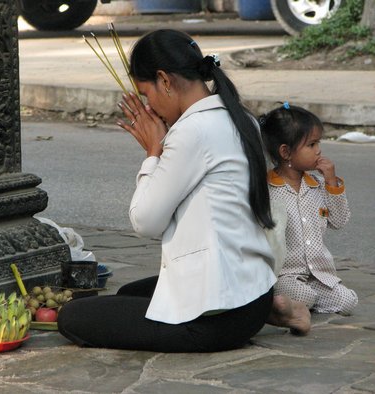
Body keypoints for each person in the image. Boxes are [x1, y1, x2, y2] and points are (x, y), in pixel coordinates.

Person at [57, 29, 310, 353]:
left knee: (73, 316)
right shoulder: (239, 116)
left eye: (147, 95)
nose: (150, 106)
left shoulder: (193, 130)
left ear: (164, 80)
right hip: (253, 294)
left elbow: (145, 221)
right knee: (128, 295)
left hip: (213, 321)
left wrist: (153, 153)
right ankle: (272, 310)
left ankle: (253, 317)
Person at [260, 104, 358, 315]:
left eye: (318, 143)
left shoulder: (319, 185)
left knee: (348, 301)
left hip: (319, 275)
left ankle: (298, 305)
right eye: (311, 144)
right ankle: (285, 301)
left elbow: (340, 221)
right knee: (304, 296)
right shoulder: (267, 189)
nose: (318, 150)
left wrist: (331, 182)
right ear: (285, 152)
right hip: (285, 275)